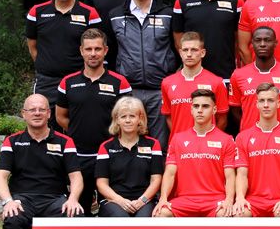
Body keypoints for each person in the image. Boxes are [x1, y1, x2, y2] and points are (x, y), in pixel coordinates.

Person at [0, 94, 83, 229]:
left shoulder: (65, 141)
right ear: (23, 114)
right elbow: (1, 177)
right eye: (32, 109)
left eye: (41, 109)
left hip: (55, 199)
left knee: (75, 214)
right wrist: (8, 201)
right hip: (22, 200)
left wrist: (73, 199)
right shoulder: (13, 141)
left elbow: (76, 177)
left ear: (49, 113)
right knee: (12, 219)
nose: (37, 113)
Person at [56, 28, 132, 215]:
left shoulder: (119, 83)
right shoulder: (68, 82)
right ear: (81, 50)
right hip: (79, 155)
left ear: (105, 50)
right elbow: (60, 117)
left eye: (97, 49)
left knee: (112, 207)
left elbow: (128, 118)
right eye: (88, 49)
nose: (93, 54)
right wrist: (77, 131)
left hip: (111, 154)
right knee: (80, 207)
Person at [108, 0, 176, 148]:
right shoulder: (116, 15)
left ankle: (157, 177)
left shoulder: (168, 14)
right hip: (129, 89)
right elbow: (111, 50)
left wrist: (168, 71)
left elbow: (176, 48)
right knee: (129, 141)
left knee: (159, 144)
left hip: (159, 89)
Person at [27, 0, 102, 127]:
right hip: (46, 82)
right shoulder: (37, 12)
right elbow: (32, 45)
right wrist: (46, 65)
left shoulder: (89, 14)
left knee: (79, 124)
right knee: (45, 126)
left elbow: (97, 47)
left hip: (79, 80)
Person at [153, 89, 236, 218]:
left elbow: (230, 175)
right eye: (196, 106)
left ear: (214, 110)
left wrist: (229, 200)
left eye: (205, 106)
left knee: (225, 215)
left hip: (214, 200)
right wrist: (163, 198)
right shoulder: (177, 139)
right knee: (160, 214)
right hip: (184, 200)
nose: (200, 110)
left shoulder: (226, 140)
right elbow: (170, 173)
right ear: (191, 110)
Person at [172, 0, 243, 85]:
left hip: (226, 75)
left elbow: (239, 40)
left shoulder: (235, 1)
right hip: (193, 76)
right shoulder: (182, 2)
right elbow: (178, 40)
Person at [233, 84, 280, 217]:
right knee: (240, 215)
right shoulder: (243, 137)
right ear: (256, 104)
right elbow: (242, 174)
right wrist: (240, 198)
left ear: (278, 103)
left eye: (270, 100)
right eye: (262, 101)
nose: (266, 105)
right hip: (254, 200)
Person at [95, 97, 163, 218]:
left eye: (132, 116)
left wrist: (142, 200)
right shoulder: (106, 147)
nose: (128, 120)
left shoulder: (153, 145)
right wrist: (120, 200)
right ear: (117, 120)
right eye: (123, 117)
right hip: (113, 200)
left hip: (144, 200)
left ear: (140, 119)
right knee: (121, 218)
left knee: (143, 220)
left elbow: (156, 179)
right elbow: (101, 183)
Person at [229, 26, 280, 131]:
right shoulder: (238, 75)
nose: (262, 44)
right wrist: (249, 129)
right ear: (252, 44)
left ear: (275, 43)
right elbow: (235, 110)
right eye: (258, 40)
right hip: (250, 140)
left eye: (267, 40)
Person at [160, 32, 229, 136]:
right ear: (180, 52)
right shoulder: (167, 83)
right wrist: (180, 138)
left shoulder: (216, 82)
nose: (189, 54)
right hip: (179, 147)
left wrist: (208, 138)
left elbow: (222, 119)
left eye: (194, 50)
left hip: (207, 148)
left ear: (203, 53)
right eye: (185, 50)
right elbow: (169, 116)